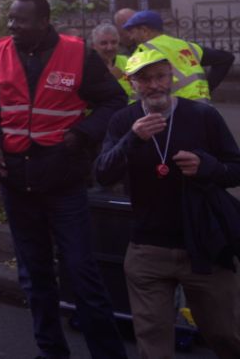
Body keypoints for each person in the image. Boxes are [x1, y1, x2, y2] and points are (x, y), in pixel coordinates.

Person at [0, 0, 128, 359]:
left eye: (21, 20)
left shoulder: (78, 54)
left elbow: (114, 102)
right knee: (34, 277)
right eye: (10, 19)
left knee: (82, 273)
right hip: (16, 182)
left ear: (44, 22)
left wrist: (82, 135)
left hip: (63, 183)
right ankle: (51, 352)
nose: (13, 26)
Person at [95, 48, 240, 358]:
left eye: (160, 76)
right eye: (144, 79)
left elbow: (235, 168)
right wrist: (131, 140)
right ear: (132, 83)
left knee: (226, 335)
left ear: (171, 76)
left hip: (203, 245)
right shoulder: (124, 120)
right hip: (147, 249)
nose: (155, 85)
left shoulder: (202, 115)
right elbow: (103, 173)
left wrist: (207, 167)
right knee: (153, 343)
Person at [121, 10, 234, 101]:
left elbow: (137, 90)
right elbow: (226, 58)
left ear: (144, 31)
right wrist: (207, 89)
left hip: (173, 109)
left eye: (132, 32)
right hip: (202, 104)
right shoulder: (185, 46)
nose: (131, 37)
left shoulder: (143, 51)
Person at [91, 23, 134, 103]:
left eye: (114, 42)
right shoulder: (87, 66)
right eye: (104, 43)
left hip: (127, 111)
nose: (109, 48)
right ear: (93, 46)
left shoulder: (128, 62)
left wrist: (123, 76)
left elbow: (137, 86)